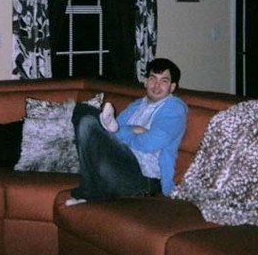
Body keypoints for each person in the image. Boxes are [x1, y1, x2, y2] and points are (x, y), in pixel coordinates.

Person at [65, 58, 188, 206]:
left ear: (172, 87)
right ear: (145, 82)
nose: (156, 85)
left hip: (142, 179)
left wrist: (123, 132)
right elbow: (112, 133)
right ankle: (94, 190)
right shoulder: (137, 105)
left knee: (88, 123)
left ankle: (89, 192)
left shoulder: (174, 109)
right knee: (83, 110)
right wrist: (133, 130)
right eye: (152, 79)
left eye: (164, 81)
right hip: (119, 164)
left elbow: (149, 144)